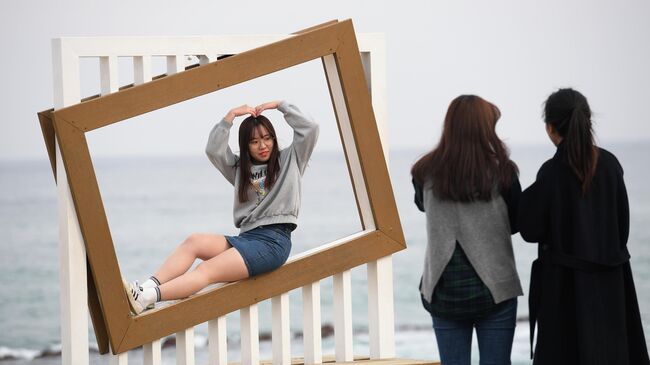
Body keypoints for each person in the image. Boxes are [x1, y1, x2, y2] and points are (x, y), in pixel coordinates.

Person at [123, 100, 319, 315]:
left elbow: (310, 129)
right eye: (254, 141)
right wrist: (230, 116)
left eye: (267, 138)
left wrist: (280, 105)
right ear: (246, 146)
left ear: (273, 138)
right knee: (194, 241)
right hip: (247, 238)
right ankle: (145, 289)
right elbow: (214, 150)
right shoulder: (239, 170)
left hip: (273, 241)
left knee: (206, 270)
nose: (262, 146)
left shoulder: (290, 159)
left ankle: (146, 298)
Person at [519, 88, 649, 364]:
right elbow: (621, 228)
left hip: (563, 288)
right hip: (611, 285)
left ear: (550, 127)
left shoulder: (551, 172)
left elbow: (528, 229)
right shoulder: (611, 165)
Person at [412, 95, 522, 365]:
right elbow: (517, 223)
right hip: (495, 289)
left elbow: (423, 206)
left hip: (444, 288)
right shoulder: (503, 171)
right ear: (485, 128)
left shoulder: (424, 172)